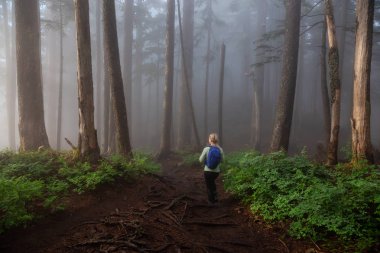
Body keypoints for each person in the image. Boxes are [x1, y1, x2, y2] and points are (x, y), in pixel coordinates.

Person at [199, 133, 224, 205]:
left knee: (209, 185)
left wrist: (206, 161)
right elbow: (223, 160)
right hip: (216, 172)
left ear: (210, 140)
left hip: (207, 171)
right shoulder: (220, 149)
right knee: (212, 183)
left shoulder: (206, 149)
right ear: (217, 140)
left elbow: (200, 160)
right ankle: (215, 198)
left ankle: (211, 201)